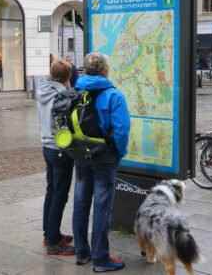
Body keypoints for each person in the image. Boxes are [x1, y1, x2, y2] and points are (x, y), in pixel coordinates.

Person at [73, 52, 131, 272]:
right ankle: (100, 258)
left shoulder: (78, 90)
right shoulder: (114, 96)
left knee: (80, 201)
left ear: (86, 70)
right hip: (104, 156)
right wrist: (119, 152)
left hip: (81, 152)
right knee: (102, 205)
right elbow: (122, 130)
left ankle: (81, 252)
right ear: (105, 70)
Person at [36, 60, 76, 256]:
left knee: (52, 190)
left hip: (47, 147)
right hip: (60, 149)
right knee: (60, 194)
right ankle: (53, 242)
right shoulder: (62, 94)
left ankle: (50, 234)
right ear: (67, 77)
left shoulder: (43, 90)